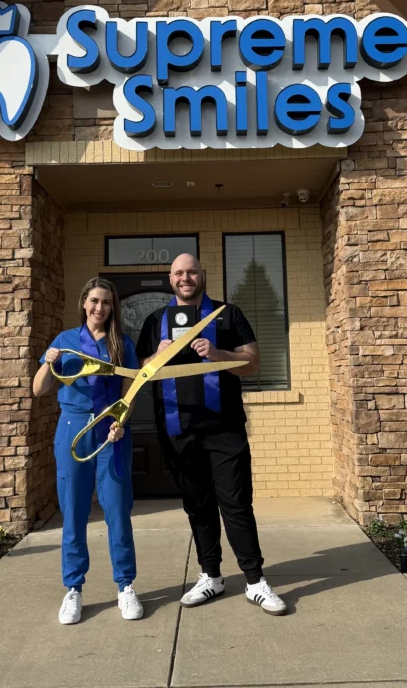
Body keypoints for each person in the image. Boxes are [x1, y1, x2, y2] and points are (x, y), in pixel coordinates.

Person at [136, 254, 286, 616]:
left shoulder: (227, 314)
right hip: (177, 429)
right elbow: (140, 371)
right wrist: (155, 358)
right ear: (170, 279)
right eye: (179, 273)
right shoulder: (155, 321)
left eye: (191, 272)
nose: (185, 278)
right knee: (198, 506)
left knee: (236, 504)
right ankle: (211, 576)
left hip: (224, 428)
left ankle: (255, 581)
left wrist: (217, 353)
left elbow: (252, 363)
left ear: (202, 275)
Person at [33, 277, 143, 625]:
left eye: (106, 302)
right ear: (84, 303)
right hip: (73, 428)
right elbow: (39, 389)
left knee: (117, 510)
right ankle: (73, 589)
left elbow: (129, 393)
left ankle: (125, 586)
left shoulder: (122, 343)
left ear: (113, 307)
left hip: (111, 432)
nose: (100, 308)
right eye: (94, 300)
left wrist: (121, 422)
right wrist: (48, 362)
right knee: (74, 510)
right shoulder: (64, 341)